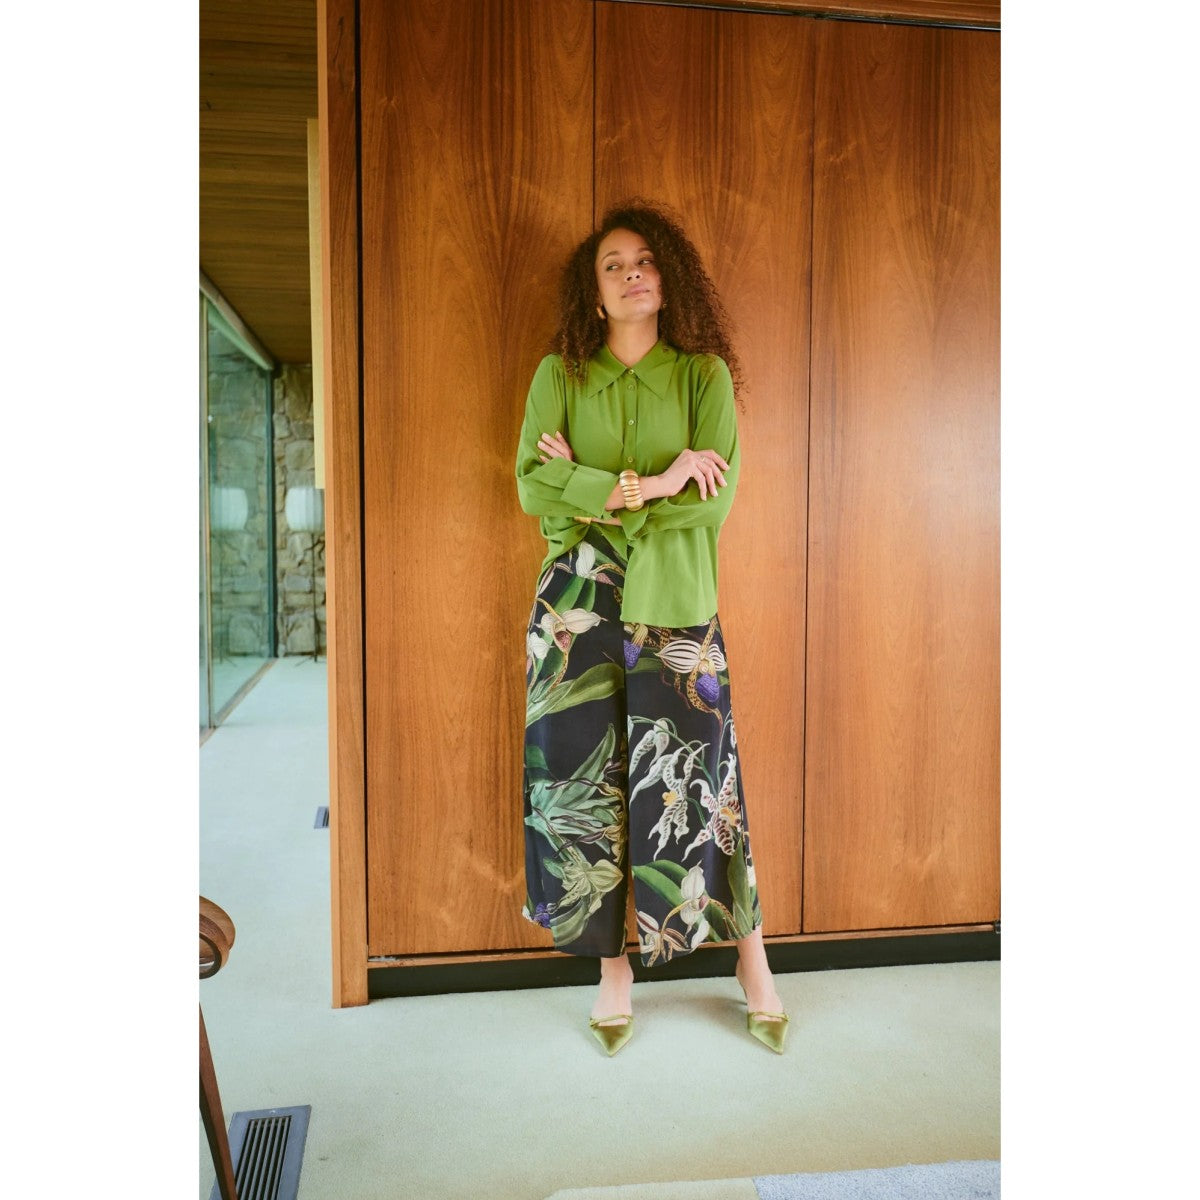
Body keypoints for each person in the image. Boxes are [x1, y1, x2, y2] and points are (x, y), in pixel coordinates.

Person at [515, 200, 787, 1056]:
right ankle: (612, 969)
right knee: (583, 786)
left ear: (667, 278)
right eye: (613, 265)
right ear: (594, 295)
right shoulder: (557, 377)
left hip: (675, 604)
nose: (632, 272)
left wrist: (594, 490)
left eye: (645, 260)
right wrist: (657, 483)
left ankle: (753, 962)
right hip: (576, 607)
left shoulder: (703, 378)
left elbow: (716, 504)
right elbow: (530, 488)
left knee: (704, 780)